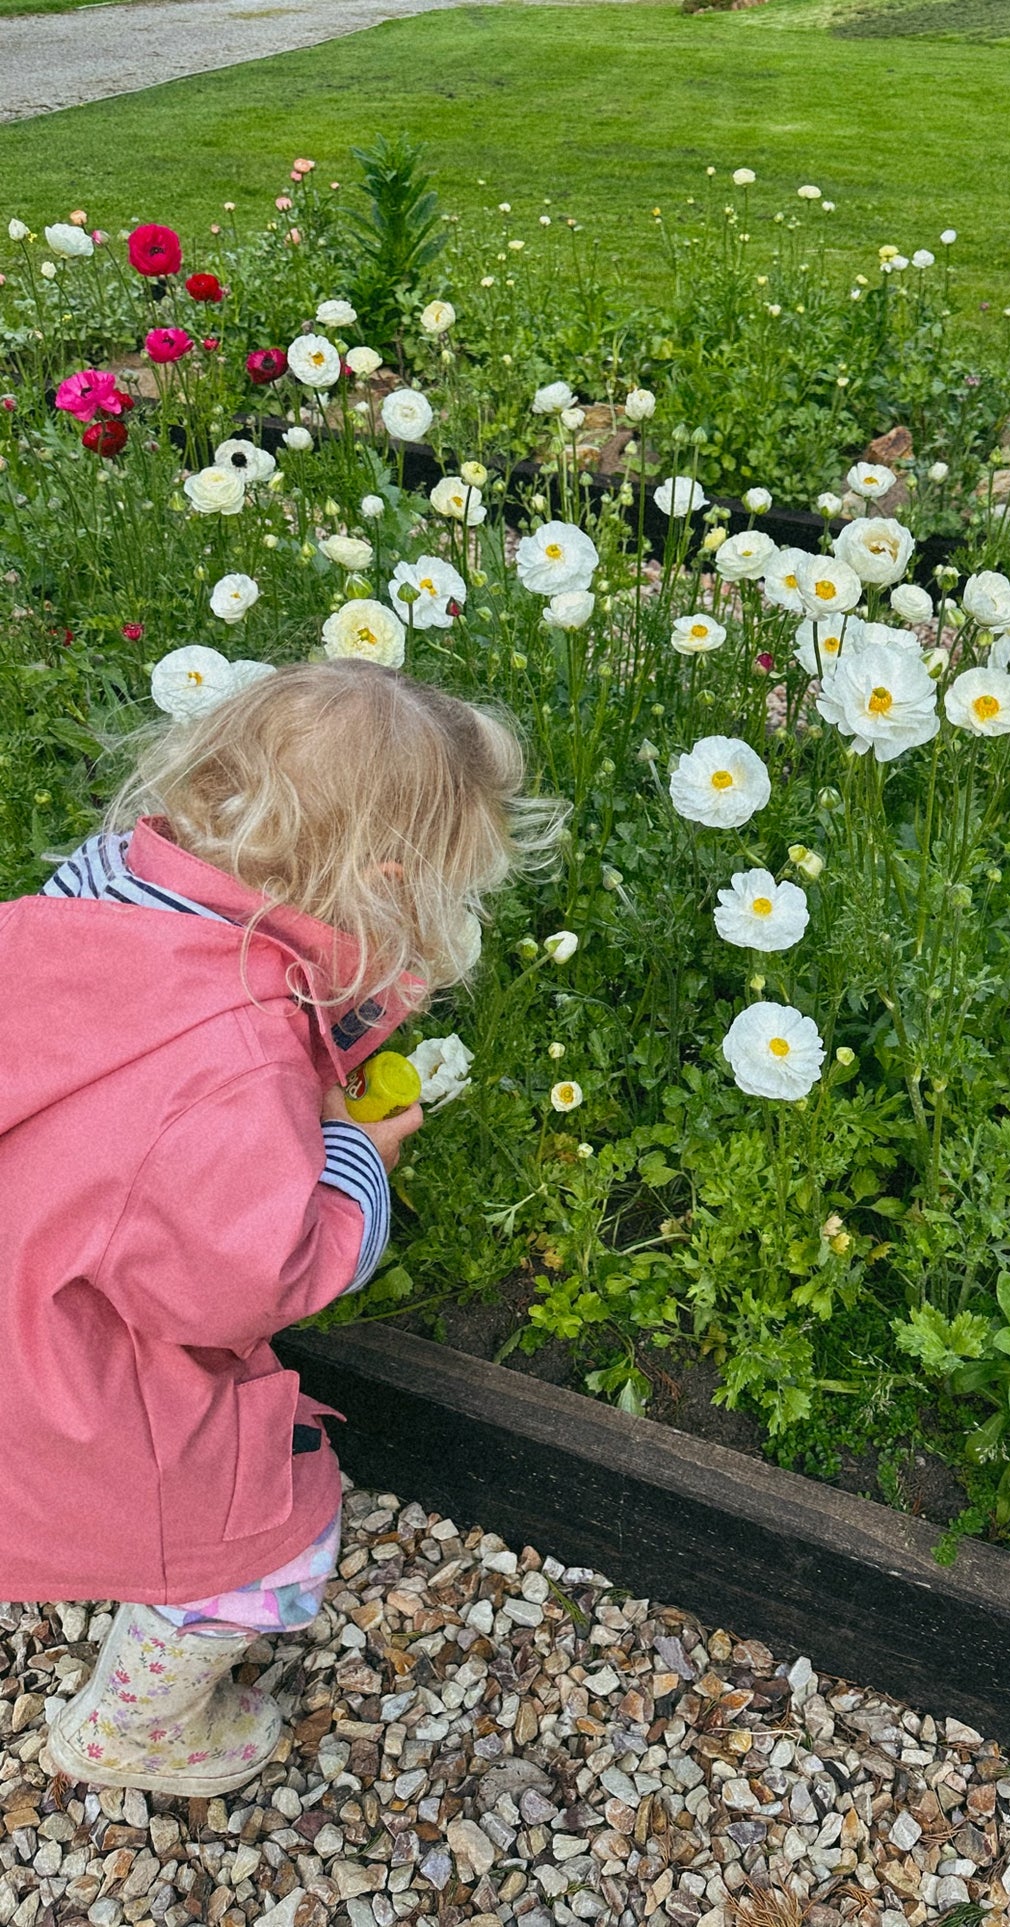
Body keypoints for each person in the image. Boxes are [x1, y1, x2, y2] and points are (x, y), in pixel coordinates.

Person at [0, 659, 559, 1796]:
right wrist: (353, 1155)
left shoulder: (68, 913)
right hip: (62, 1371)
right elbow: (243, 1280)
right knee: (267, 1544)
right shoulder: (234, 1070)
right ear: (390, 886)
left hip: (25, 1264)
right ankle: (132, 1728)